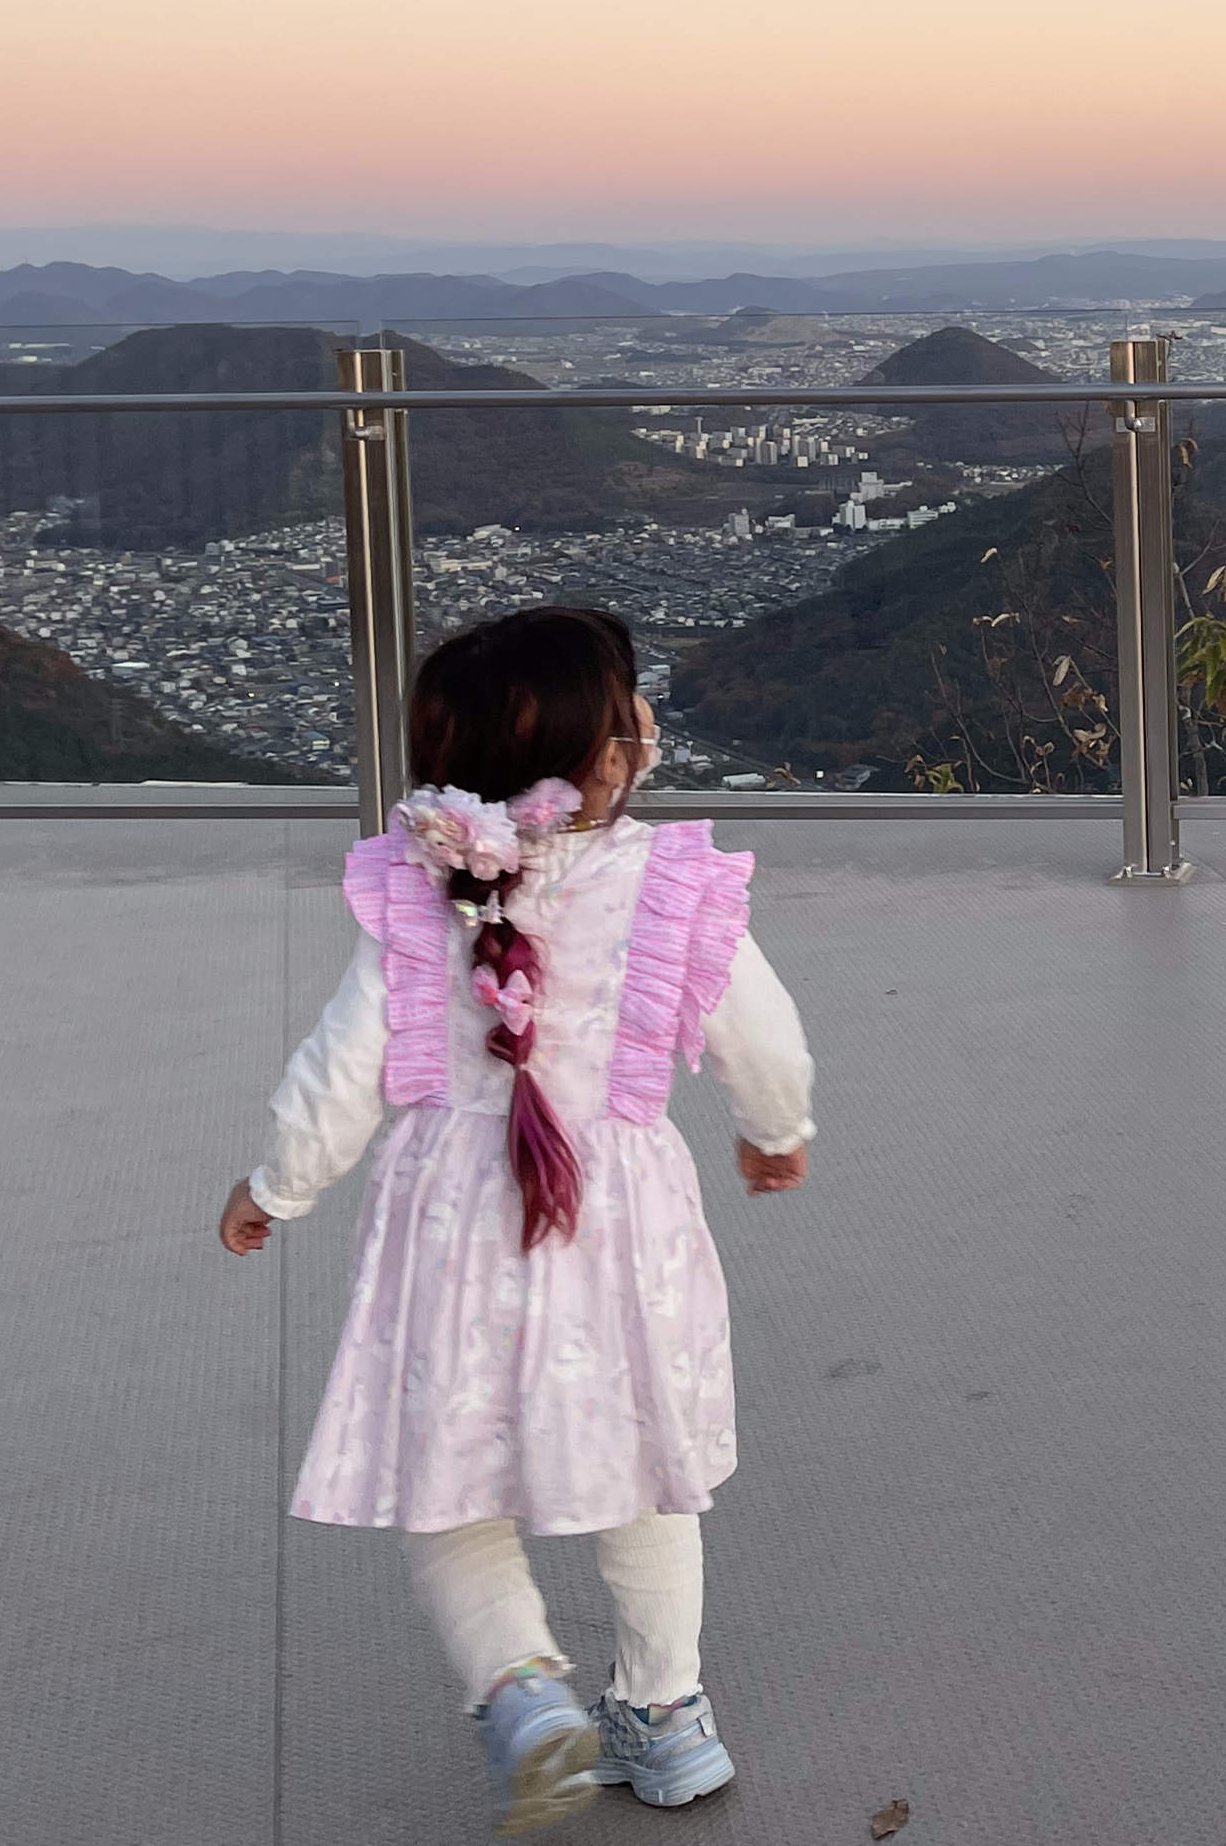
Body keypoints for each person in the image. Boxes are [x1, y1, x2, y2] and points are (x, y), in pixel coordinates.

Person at [218, 605, 814, 1835]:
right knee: (650, 1486)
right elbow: (762, 1036)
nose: (646, 718)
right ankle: (667, 1718)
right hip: (620, 1232)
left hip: (451, 1231)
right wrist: (774, 1133)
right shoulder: (673, 889)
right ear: (609, 758)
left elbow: (343, 1069)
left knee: (451, 1492)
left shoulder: (419, 893)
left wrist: (275, 1186)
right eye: (630, 703)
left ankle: (525, 1692)